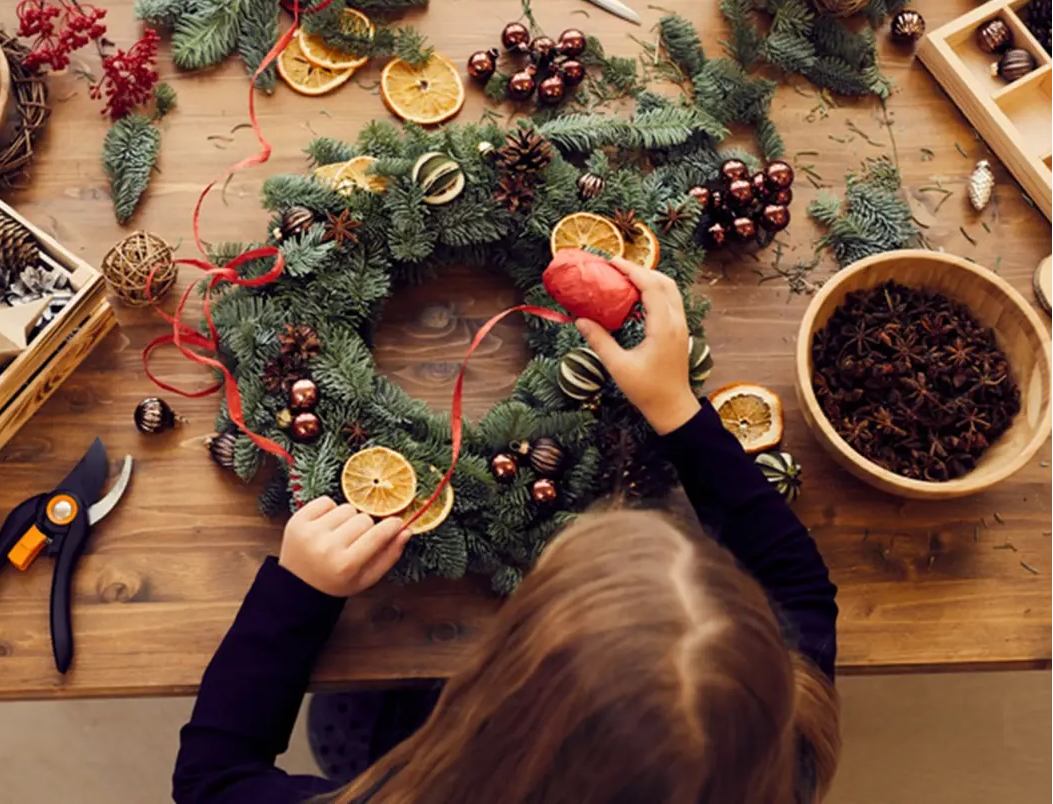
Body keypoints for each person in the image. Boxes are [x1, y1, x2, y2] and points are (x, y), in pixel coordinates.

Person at [173, 258, 841, 804]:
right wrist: (675, 409)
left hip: (420, 757)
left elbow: (213, 779)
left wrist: (298, 594)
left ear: (507, 695)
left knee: (354, 718)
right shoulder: (786, 746)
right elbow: (801, 587)